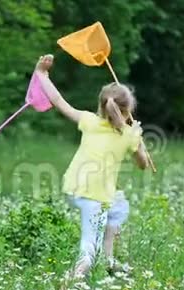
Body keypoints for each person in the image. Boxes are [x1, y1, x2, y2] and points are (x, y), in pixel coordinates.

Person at [34, 54, 149, 277]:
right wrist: (139, 140)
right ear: (128, 111)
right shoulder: (129, 134)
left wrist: (42, 74)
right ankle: (74, 281)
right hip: (94, 197)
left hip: (74, 187)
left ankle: (109, 260)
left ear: (102, 105)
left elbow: (58, 101)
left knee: (119, 206)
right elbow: (143, 164)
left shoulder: (89, 120)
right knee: (89, 247)